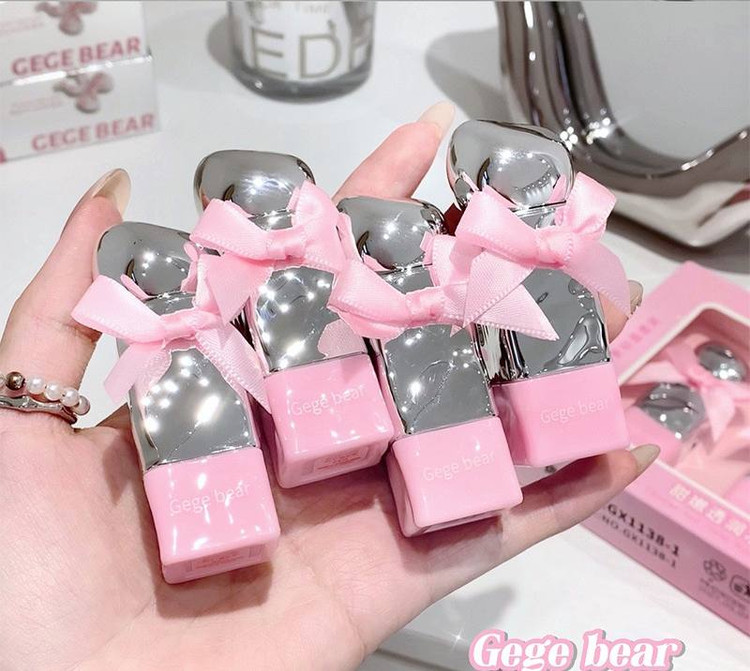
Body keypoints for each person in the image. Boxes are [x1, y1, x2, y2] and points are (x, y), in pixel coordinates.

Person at [0, 103, 658, 670]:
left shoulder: (378, 277)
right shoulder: (227, 305)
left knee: (460, 359)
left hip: (436, 404)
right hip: (229, 441)